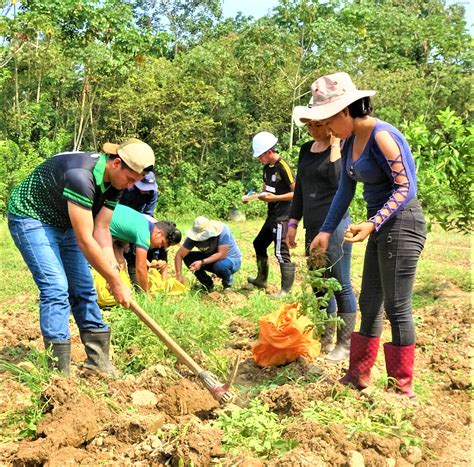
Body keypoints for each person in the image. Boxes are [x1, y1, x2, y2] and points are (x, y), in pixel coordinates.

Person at [307, 72, 426, 397]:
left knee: (397, 304)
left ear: (345, 111)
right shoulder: (347, 142)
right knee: (369, 301)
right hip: (381, 225)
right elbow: (346, 187)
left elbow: (406, 187)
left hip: (404, 223)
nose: (327, 128)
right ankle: (359, 375)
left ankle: (402, 388)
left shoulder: (382, 136)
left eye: (329, 120)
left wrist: (373, 222)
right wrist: (326, 230)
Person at [7, 138, 155, 377]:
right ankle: (58, 374)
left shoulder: (115, 184)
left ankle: (98, 362)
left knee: (84, 289)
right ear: (116, 163)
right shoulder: (80, 177)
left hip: (65, 222)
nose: (129, 186)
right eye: (129, 180)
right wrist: (116, 283)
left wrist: (111, 272)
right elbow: (86, 240)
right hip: (31, 217)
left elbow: (102, 229)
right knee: (56, 288)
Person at [286, 112, 357, 361]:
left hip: (336, 225)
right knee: (319, 284)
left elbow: (341, 182)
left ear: (328, 125)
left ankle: (345, 343)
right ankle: (326, 337)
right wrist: (293, 223)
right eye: (310, 125)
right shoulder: (306, 150)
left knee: (340, 282)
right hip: (313, 225)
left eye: (318, 124)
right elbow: (300, 191)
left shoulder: (343, 148)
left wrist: (336, 145)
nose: (312, 129)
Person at [246, 131, 296, 297]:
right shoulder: (266, 169)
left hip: (283, 216)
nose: (260, 159)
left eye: (261, 156)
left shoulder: (284, 167)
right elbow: (265, 191)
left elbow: (296, 193)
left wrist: (275, 198)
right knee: (259, 244)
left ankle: (285, 291)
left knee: (281, 251)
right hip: (271, 215)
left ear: (269, 151)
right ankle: (261, 279)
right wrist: (253, 198)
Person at [110, 204, 181, 292]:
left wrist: (120, 261)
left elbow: (118, 244)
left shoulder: (142, 223)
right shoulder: (145, 232)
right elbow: (140, 267)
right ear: (158, 233)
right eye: (162, 243)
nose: (159, 246)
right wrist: (146, 293)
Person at [175, 216, 241, 293]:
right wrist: (179, 275)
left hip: (230, 260)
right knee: (188, 257)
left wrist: (201, 262)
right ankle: (208, 284)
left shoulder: (222, 230)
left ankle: (227, 285)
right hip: (210, 259)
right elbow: (179, 255)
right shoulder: (193, 237)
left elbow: (222, 254)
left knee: (220, 266)